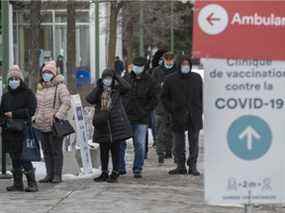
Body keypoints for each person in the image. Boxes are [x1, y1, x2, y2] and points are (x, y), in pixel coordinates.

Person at [86, 68, 132, 183]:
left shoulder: (117, 90)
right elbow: (89, 99)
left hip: (116, 124)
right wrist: (99, 86)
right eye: (105, 78)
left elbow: (127, 87)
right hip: (103, 125)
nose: (107, 80)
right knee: (104, 150)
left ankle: (115, 172)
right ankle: (104, 172)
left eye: (109, 78)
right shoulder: (99, 91)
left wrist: (116, 77)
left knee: (116, 150)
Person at [161, 56, 203, 175]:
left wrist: (199, 109)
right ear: (179, 65)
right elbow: (164, 97)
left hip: (194, 115)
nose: (186, 66)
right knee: (178, 144)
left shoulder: (197, 78)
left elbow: (202, 94)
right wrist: (172, 109)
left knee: (194, 142)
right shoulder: (170, 79)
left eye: (187, 64)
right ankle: (180, 166)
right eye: (183, 64)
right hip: (177, 115)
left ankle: (193, 165)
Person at [0, 65, 38, 192]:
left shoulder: (28, 93)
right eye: (11, 78)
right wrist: (3, 122)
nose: (14, 81)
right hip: (9, 131)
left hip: (23, 130)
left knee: (24, 157)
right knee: (14, 158)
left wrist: (14, 114)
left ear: (20, 79)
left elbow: (31, 110)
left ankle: (32, 182)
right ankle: (17, 183)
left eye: (16, 78)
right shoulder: (5, 96)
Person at [34, 61, 71, 183]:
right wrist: (35, 117)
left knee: (56, 150)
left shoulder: (60, 87)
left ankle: (57, 175)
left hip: (54, 124)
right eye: (44, 72)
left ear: (54, 74)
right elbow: (37, 106)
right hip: (41, 124)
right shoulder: (41, 88)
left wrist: (57, 116)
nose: (46, 74)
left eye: (49, 72)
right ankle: (49, 174)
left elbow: (66, 103)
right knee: (46, 151)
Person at [122, 56, 159, 178]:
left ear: (143, 68)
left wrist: (146, 110)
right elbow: (120, 94)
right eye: (135, 66)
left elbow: (154, 99)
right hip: (126, 116)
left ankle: (137, 168)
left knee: (140, 144)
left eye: (139, 67)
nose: (136, 68)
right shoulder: (126, 78)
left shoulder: (150, 81)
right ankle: (120, 167)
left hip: (141, 118)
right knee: (120, 143)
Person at [152, 52, 177, 165]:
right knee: (160, 131)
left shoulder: (177, 69)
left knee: (173, 131)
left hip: (174, 105)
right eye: (167, 60)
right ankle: (160, 154)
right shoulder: (157, 71)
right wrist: (159, 86)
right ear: (164, 60)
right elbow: (152, 85)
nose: (169, 62)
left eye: (170, 60)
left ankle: (170, 151)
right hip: (160, 105)